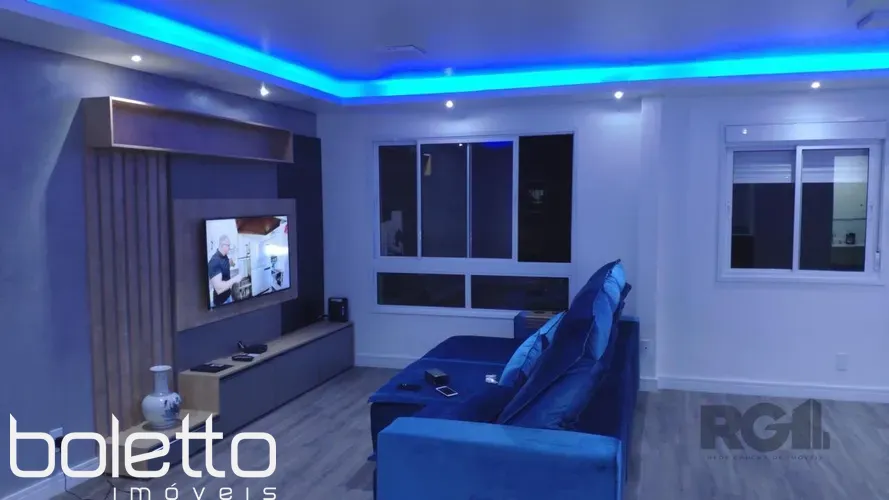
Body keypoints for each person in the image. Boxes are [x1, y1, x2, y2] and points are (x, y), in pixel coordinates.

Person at [208, 235, 240, 307]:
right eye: (228, 245)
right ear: (222, 245)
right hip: (221, 302)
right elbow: (219, 288)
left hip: (228, 296)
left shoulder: (225, 256)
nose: (229, 247)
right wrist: (235, 279)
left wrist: (232, 262)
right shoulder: (214, 261)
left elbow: (228, 264)